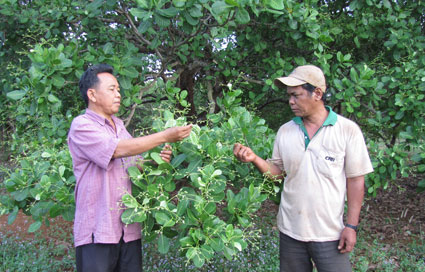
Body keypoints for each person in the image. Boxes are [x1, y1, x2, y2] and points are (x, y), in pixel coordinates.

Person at [233, 65, 373, 272]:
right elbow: (278, 174)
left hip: (330, 234)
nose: (291, 101)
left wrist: (351, 227)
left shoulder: (347, 130)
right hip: (291, 232)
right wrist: (254, 159)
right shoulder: (285, 131)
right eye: (289, 96)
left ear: (317, 93)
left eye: (296, 95)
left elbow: (355, 181)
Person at [68, 63, 192, 272]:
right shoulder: (82, 125)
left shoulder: (120, 126)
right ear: (92, 94)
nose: (118, 94)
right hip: (97, 232)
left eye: (118, 89)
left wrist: (156, 162)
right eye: (111, 89)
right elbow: (116, 150)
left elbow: (133, 164)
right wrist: (165, 135)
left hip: (128, 228)